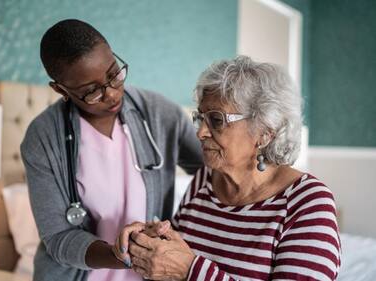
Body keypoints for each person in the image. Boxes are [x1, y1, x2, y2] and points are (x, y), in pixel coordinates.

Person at [115, 56, 341, 281]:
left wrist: (190, 271)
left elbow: (185, 268)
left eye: (216, 120)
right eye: (200, 118)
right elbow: (174, 262)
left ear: (264, 133)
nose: (200, 132)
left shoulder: (308, 203)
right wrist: (151, 245)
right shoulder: (205, 180)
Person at [20, 19, 203, 281]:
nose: (112, 95)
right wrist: (120, 254)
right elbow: (59, 237)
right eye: (92, 91)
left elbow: (216, 172)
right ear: (60, 89)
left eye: (114, 74)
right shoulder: (43, 139)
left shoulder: (161, 114)